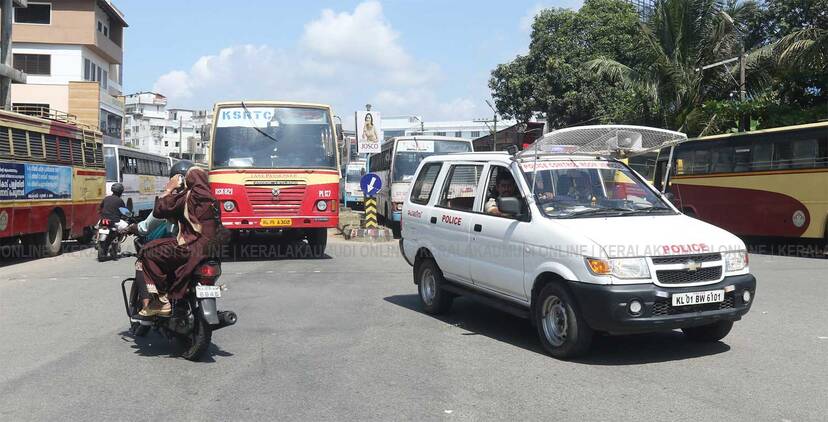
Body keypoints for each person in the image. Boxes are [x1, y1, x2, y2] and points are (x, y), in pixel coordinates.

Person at [135, 163, 220, 317]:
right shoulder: (213, 200)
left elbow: (160, 209)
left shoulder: (187, 197)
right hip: (211, 251)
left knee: (147, 251)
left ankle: (161, 301)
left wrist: (169, 189)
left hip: (189, 247)